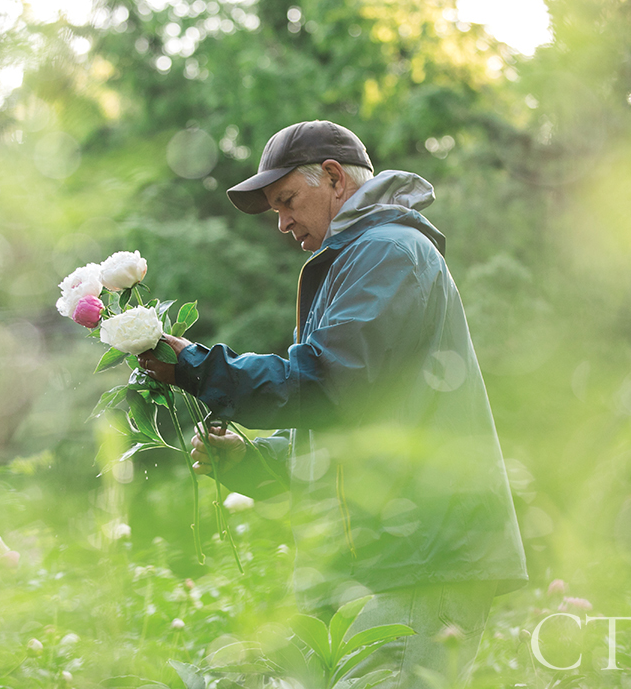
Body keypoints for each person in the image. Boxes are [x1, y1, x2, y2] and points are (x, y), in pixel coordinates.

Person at [141, 120, 527, 688]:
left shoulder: (389, 252)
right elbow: (344, 431)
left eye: (288, 201)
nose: (282, 224)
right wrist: (251, 460)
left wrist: (201, 367)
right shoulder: (356, 260)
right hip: (370, 567)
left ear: (333, 177)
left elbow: (326, 384)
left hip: (416, 562)